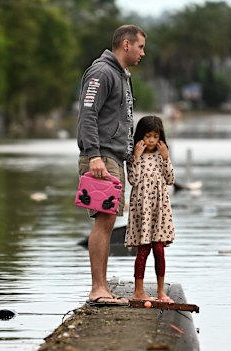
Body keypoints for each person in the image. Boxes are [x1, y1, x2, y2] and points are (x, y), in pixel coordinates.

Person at [77, 24, 146, 306]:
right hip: (101, 158)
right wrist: (93, 155)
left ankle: (102, 287)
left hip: (113, 158)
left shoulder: (121, 75)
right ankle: (98, 289)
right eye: (141, 46)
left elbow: (121, 120)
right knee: (103, 223)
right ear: (126, 45)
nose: (144, 52)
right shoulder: (102, 72)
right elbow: (88, 114)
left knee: (107, 222)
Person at [125, 115, 176, 303]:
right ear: (141, 137)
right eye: (148, 136)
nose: (151, 141)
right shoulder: (134, 156)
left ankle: (161, 292)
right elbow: (133, 180)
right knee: (143, 249)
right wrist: (136, 157)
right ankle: (138, 291)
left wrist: (166, 158)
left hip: (160, 210)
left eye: (155, 136)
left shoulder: (162, 155)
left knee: (159, 250)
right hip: (142, 209)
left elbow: (170, 179)